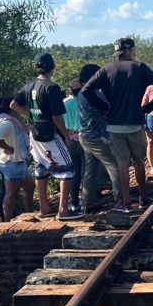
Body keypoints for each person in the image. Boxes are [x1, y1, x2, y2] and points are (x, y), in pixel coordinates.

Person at [81, 37, 153, 213]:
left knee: (122, 163)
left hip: (114, 125)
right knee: (139, 162)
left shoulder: (106, 69)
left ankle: (125, 202)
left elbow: (86, 90)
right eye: (133, 50)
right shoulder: (139, 68)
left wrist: (104, 107)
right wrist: (147, 108)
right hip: (135, 123)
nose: (134, 53)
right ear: (128, 51)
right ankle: (143, 198)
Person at [10, 53, 82, 220]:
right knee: (68, 170)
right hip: (51, 134)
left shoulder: (29, 85)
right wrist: (66, 136)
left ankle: (44, 207)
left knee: (41, 168)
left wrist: (31, 115)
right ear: (52, 67)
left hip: (35, 133)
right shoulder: (52, 88)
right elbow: (57, 117)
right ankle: (63, 210)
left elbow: (13, 105)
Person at [76, 63, 122, 213]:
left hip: (85, 135)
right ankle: (120, 198)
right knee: (114, 165)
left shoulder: (81, 93)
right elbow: (108, 108)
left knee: (91, 169)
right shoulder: (94, 92)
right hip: (98, 137)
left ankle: (87, 201)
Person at [0, 97, 35, 221]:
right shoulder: (7, 122)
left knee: (30, 186)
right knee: (11, 193)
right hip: (11, 162)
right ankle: (7, 222)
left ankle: (30, 214)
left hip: (19, 161)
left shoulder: (12, 121)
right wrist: (8, 148)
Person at [63, 79, 84, 214]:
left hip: (69, 138)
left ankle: (74, 202)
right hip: (84, 136)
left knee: (75, 170)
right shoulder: (84, 101)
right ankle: (88, 198)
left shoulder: (64, 103)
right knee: (86, 169)